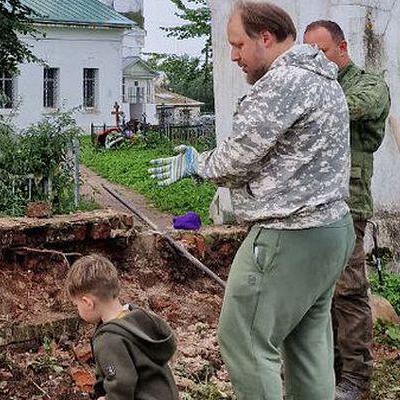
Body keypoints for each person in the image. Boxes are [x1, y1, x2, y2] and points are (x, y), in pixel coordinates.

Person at [148, 2, 355, 398]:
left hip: (289, 234)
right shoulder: (322, 78)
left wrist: (197, 163)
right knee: (307, 346)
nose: (233, 56)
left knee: (244, 338)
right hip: (332, 230)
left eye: (238, 44)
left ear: (266, 37)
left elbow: (237, 160)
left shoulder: (282, 82)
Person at [304, 20, 390, 400]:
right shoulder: (313, 88)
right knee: (316, 294)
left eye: (321, 51)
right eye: (309, 53)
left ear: (342, 48)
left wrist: (305, 101)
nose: (316, 60)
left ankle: (356, 378)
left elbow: (353, 107)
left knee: (349, 292)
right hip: (311, 206)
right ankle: (329, 372)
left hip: (348, 205)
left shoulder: (368, 85)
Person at [64, 254, 179, 400]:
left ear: (88, 303)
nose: (78, 310)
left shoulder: (110, 340)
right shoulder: (137, 318)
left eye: (77, 305)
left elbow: (121, 385)